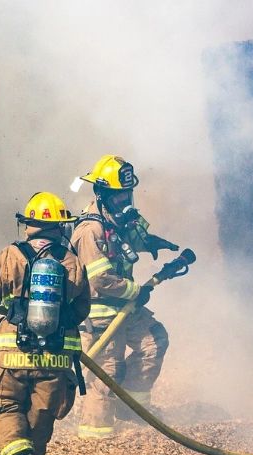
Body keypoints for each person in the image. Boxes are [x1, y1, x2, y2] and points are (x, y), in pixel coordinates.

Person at [0, 192, 90, 455]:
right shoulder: (73, 262)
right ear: (62, 227)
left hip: (14, 354)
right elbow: (82, 309)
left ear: (27, 224)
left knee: (5, 406)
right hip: (55, 360)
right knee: (42, 416)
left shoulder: (12, 255)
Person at [70, 155, 173, 440]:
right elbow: (100, 279)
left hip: (126, 308)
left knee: (155, 342)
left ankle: (131, 410)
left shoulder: (116, 221)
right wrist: (136, 292)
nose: (125, 200)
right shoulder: (89, 230)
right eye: (118, 195)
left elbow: (131, 241)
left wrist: (152, 242)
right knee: (107, 373)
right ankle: (96, 435)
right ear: (101, 194)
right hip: (100, 314)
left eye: (128, 193)